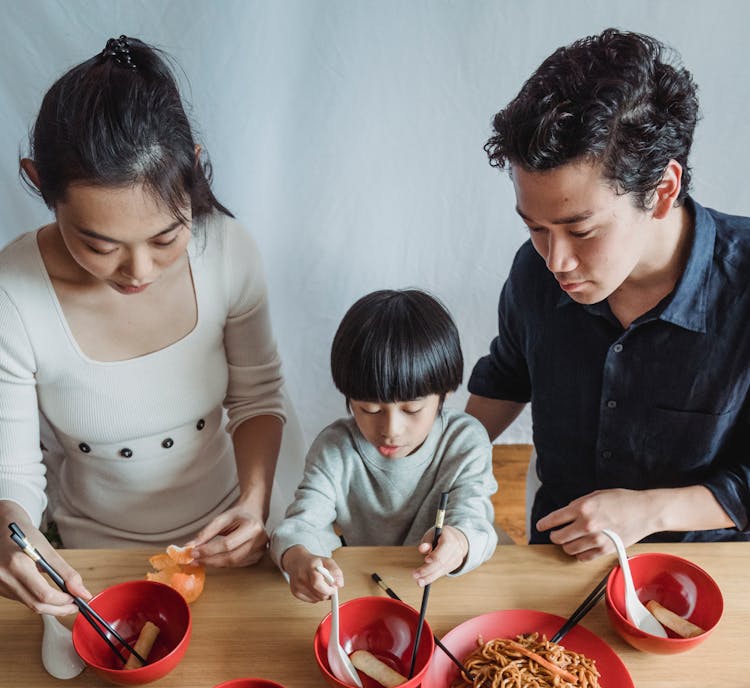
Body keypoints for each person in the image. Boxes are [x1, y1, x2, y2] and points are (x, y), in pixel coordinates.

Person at [0, 35, 296, 615]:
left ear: (194, 172)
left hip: (234, 530)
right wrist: (13, 533)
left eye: (166, 238)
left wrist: (256, 506)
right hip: (93, 562)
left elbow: (259, 397)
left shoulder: (229, 250)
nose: (139, 271)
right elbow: (13, 470)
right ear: (39, 181)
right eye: (99, 244)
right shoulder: (12, 292)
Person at [466, 28, 750, 560]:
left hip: (711, 573)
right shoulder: (534, 271)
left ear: (663, 190)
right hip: (558, 560)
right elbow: (506, 377)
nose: (556, 262)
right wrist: (429, 467)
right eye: (535, 227)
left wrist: (651, 510)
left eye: (582, 230)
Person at [270, 289, 497, 602]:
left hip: (444, 588)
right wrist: (299, 559)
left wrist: (459, 542)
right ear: (348, 397)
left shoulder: (464, 442)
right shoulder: (335, 448)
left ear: (445, 393)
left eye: (412, 410)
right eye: (370, 410)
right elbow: (302, 525)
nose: (390, 430)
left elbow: (475, 521)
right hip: (367, 585)